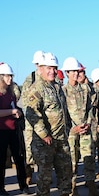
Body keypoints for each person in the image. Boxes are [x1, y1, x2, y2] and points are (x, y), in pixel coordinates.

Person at [25, 52, 73, 196]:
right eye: (49, 68)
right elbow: (32, 113)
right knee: (45, 179)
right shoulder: (37, 88)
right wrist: (44, 134)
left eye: (54, 68)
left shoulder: (57, 88)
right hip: (45, 143)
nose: (52, 71)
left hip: (61, 140)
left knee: (66, 175)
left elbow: (64, 111)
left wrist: (68, 128)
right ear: (41, 68)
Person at [61, 57, 99, 196]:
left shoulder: (86, 89)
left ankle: (92, 189)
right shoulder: (63, 91)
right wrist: (73, 128)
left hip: (86, 130)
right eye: (73, 71)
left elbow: (90, 109)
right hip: (71, 132)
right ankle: (73, 191)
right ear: (67, 72)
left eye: (77, 71)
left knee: (89, 159)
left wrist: (88, 124)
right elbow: (62, 113)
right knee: (72, 162)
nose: (76, 74)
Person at [0, 62, 30, 195]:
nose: (10, 79)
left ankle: (23, 185)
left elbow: (14, 107)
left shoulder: (11, 92)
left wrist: (17, 112)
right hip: (2, 130)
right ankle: (1, 188)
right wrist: (12, 112)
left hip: (14, 130)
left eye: (11, 76)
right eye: (7, 76)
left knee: (19, 157)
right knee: (1, 160)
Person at [21, 50, 44, 186]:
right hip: (32, 120)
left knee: (43, 150)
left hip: (45, 121)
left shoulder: (49, 78)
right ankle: (28, 174)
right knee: (30, 150)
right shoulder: (30, 79)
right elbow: (26, 100)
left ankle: (42, 175)